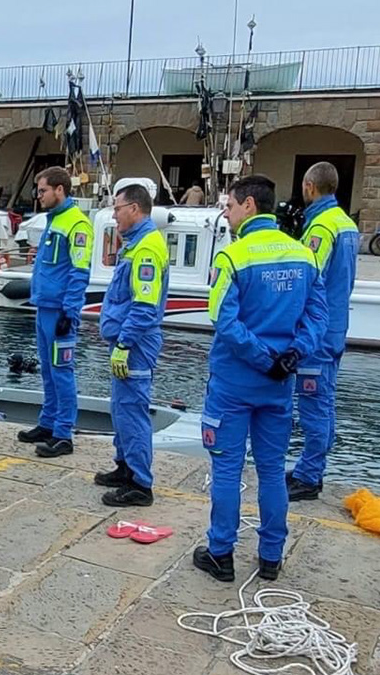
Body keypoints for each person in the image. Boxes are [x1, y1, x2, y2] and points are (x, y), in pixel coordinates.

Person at [191, 175, 327, 584]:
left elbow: (223, 321)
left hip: (235, 381)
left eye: (229, 206)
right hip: (279, 383)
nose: (226, 214)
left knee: (228, 469)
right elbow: (319, 316)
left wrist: (262, 357)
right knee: (271, 470)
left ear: (249, 205)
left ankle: (221, 553)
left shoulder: (232, 257)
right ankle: (271, 555)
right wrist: (292, 355)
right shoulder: (304, 255)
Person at [288, 162, 360, 501]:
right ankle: (311, 467)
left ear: (308, 186)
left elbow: (308, 274)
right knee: (324, 401)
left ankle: (309, 474)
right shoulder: (346, 223)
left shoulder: (321, 227)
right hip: (336, 326)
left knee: (314, 403)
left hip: (318, 331)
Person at [94, 182, 168, 507]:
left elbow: (145, 305)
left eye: (118, 208)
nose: (115, 214)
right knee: (120, 409)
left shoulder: (147, 248)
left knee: (132, 411)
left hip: (135, 344)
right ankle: (125, 467)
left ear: (134, 209)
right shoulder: (136, 244)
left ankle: (140, 484)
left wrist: (124, 343)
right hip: (126, 341)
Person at [19, 166, 91, 458]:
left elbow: (79, 270)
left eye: (43, 191)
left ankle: (64, 434)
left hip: (59, 311)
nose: (39, 197)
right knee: (48, 371)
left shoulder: (77, 224)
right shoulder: (55, 220)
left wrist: (69, 312)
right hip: (44, 307)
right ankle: (48, 423)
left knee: (62, 372)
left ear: (59, 190)